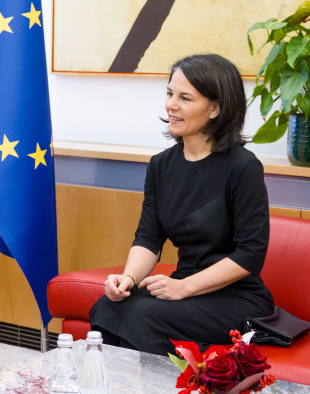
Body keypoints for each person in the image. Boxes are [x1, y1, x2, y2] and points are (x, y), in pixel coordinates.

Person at [90, 53, 273, 355]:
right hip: (183, 288)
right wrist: (128, 279)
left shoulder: (243, 167)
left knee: (142, 316)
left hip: (236, 297)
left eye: (185, 98)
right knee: (108, 306)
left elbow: (251, 254)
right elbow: (148, 238)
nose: (171, 105)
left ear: (216, 108)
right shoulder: (161, 165)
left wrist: (183, 288)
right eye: (170, 93)